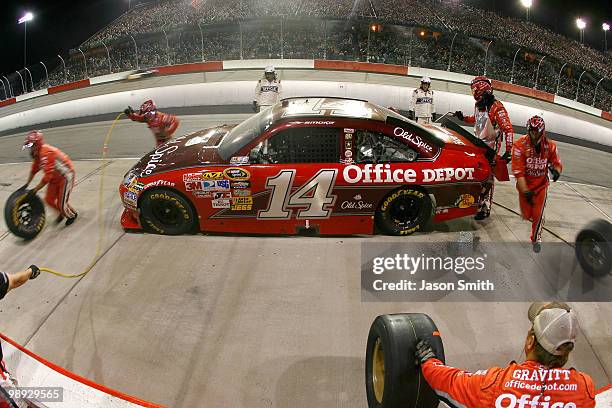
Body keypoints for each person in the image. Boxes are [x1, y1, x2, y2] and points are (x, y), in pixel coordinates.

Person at [416, 302, 595, 408]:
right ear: (567, 350)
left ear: (530, 341)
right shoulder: (585, 389)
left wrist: (428, 360)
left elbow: (448, 381)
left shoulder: (495, 384)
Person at [454, 76, 514, 220]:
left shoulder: (497, 107)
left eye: (475, 90)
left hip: (490, 150)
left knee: (487, 180)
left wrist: (508, 151)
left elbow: (508, 129)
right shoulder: (479, 106)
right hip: (477, 145)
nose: (474, 94)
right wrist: (463, 118)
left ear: (482, 91)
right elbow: (476, 119)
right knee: (474, 177)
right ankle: (472, 203)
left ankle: (484, 208)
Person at [512, 115, 562, 253]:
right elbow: (519, 172)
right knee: (526, 215)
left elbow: (557, 164)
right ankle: (535, 218)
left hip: (541, 186)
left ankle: (536, 238)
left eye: (537, 131)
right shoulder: (519, 146)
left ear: (542, 131)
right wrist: (525, 190)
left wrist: (556, 171)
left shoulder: (550, 146)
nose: (534, 134)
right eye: (531, 131)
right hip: (525, 186)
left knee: (538, 215)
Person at [22, 130, 78, 225]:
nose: (30, 149)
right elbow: (33, 170)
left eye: (31, 146)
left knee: (61, 203)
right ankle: (62, 212)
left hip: (66, 177)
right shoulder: (38, 155)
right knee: (49, 200)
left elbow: (47, 177)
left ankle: (72, 215)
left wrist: (35, 190)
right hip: (54, 178)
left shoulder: (45, 153)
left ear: (37, 144)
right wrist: (26, 184)